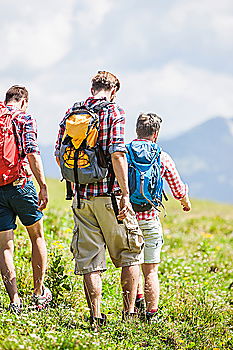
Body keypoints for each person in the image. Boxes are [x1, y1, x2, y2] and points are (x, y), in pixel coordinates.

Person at [55, 71, 144, 326]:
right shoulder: (114, 112)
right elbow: (117, 154)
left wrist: (76, 182)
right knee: (130, 252)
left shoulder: (73, 112)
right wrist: (126, 194)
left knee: (90, 261)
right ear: (114, 90)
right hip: (110, 197)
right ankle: (128, 314)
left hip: (81, 198)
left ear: (92, 87)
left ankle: (95, 317)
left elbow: (58, 152)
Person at [128, 113, 191, 322]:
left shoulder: (124, 153)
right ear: (155, 134)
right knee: (151, 269)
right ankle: (152, 314)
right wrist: (185, 202)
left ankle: (133, 306)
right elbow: (177, 188)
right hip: (149, 217)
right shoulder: (162, 156)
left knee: (132, 264)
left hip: (127, 217)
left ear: (137, 130)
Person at [0, 85, 52, 313]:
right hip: (21, 185)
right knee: (37, 237)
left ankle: (14, 301)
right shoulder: (24, 119)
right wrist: (42, 185)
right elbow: (32, 152)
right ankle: (38, 293)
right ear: (24, 101)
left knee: (4, 246)